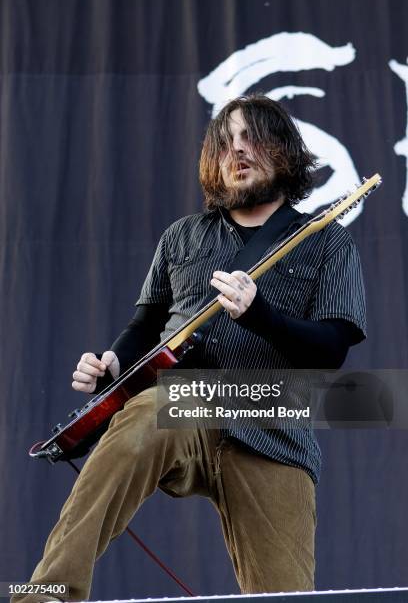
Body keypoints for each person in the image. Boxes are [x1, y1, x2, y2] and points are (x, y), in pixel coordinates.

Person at [14, 94, 366, 602]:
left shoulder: (327, 241)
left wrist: (260, 314)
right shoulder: (182, 237)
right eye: (224, 142)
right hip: (184, 399)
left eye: (251, 137)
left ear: (285, 151)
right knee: (140, 417)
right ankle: (44, 594)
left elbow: (333, 349)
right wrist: (114, 359)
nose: (237, 151)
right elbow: (145, 325)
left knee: (286, 595)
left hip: (272, 420)